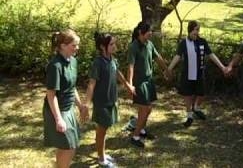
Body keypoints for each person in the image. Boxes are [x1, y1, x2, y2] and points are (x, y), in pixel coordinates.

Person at [84, 32, 135, 166]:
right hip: (101, 103)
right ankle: (101, 159)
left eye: (114, 43)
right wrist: (86, 105)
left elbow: (118, 73)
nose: (114, 46)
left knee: (105, 129)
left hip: (111, 100)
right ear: (102, 47)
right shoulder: (98, 63)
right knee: (101, 131)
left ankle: (102, 154)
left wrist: (128, 86)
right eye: (111, 44)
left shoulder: (112, 59)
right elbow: (91, 84)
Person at [166, 20, 226, 127]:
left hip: (200, 72)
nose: (197, 32)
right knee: (188, 94)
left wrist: (222, 67)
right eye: (195, 30)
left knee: (201, 93)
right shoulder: (184, 43)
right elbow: (177, 56)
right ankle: (189, 115)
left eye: (198, 30)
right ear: (190, 30)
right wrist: (169, 68)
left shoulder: (202, 41)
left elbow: (211, 54)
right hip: (187, 73)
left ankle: (196, 107)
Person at [43, 29, 89, 168]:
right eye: (74, 45)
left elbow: (71, 87)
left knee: (68, 146)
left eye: (77, 45)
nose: (77, 48)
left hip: (68, 109)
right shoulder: (55, 66)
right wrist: (58, 119)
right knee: (69, 146)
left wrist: (80, 106)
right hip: (57, 111)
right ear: (63, 46)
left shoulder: (73, 61)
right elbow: (51, 95)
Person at [127, 22, 168, 148]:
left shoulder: (149, 44)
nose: (151, 33)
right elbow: (131, 66)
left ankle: (141, 130)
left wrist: (166, 69)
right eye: (149, 31)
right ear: (140, 32)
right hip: (139, 83)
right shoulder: (133, 47)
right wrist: (130, 84)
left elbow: (158, 58)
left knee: (148, 109)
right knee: (145, 109)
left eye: (151, 31)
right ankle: (135, 136)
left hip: (149, 81)